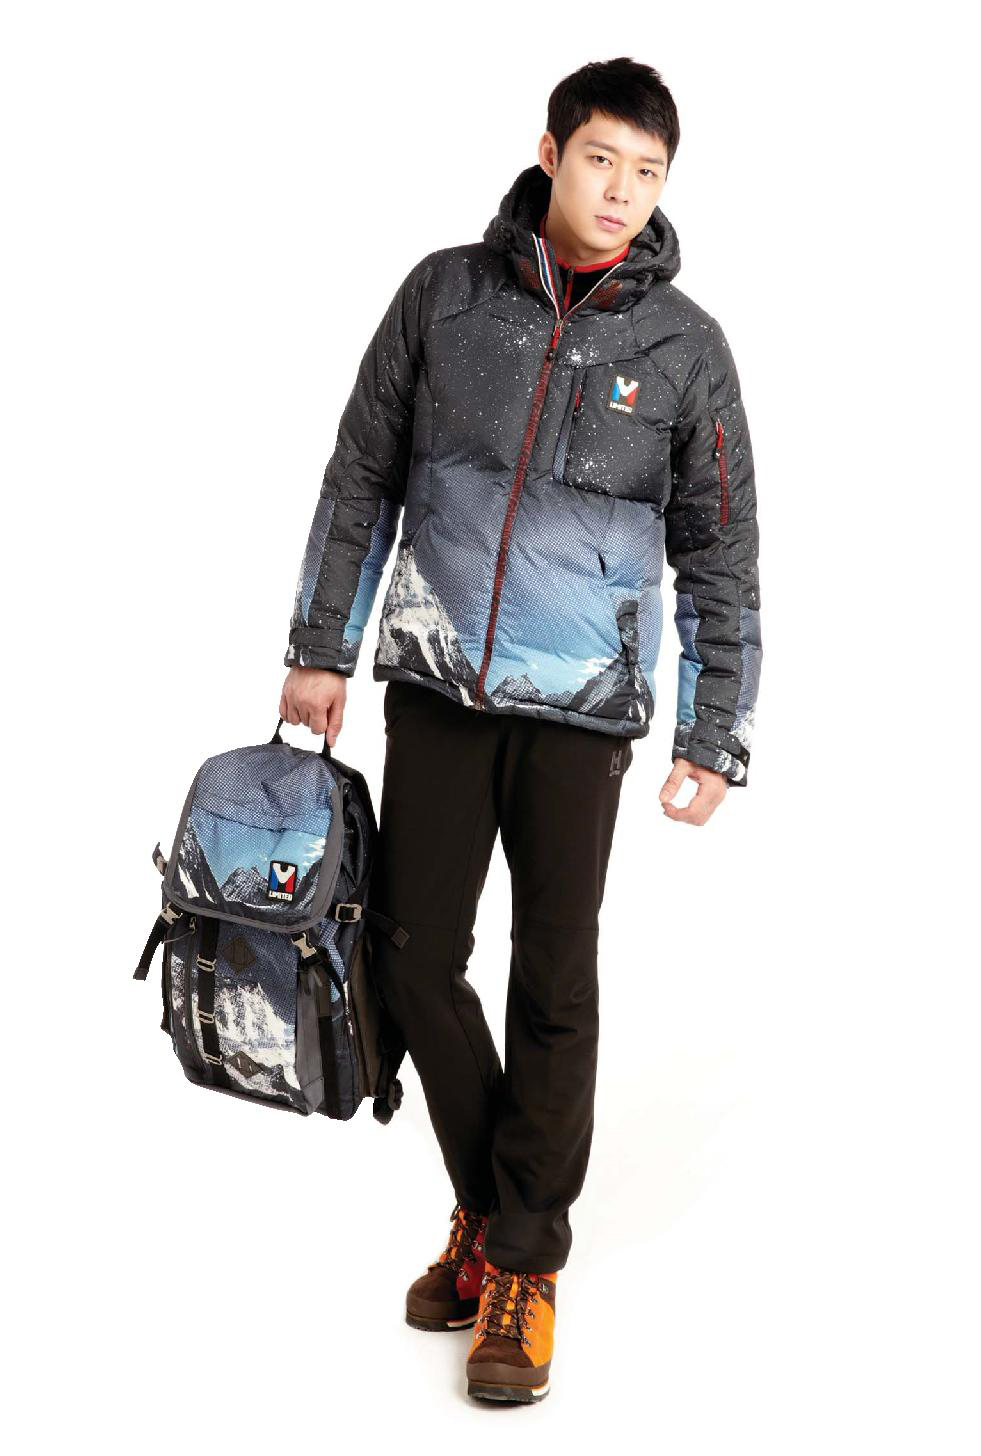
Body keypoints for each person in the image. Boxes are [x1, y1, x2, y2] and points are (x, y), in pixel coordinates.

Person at [279, 56, 762, 1404]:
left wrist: (712, 727)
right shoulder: (443, 295)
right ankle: (496, 1216)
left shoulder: (685, 350)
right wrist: (320, 645)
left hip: (581, 717)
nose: (622, 192)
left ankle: (521, 1266)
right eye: (602, 160)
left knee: (553, 975)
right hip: (436, 684)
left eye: (648, 172)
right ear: (551, 153)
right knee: (407, 955)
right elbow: (361, 475)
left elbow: (720, 549)